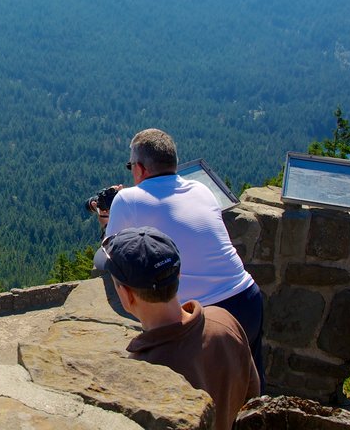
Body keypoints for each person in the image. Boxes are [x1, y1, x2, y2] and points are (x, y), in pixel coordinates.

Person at [91, 128, 266, 390]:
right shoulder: (201, 189)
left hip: (199, 317)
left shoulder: (127, 199)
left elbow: (111, 256)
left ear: (139, 168)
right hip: (247, 298)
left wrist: (106, 219)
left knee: (199, 401)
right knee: (247, 390)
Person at [95, 226, 260, 430]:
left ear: (127, 296)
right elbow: (252, 396)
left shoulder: (143, 370)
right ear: (178, 275)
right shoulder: (224, 322)